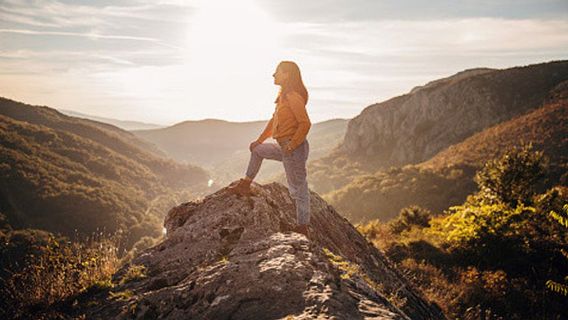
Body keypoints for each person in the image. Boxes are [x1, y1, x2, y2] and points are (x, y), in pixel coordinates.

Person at [227, 60, 311, 238]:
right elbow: (273, 122)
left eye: (277, 72)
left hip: (293, 148)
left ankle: (303, 227)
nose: (273, 75)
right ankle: (245, 184)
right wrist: (259, 141)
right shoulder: (282, 97)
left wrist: (292, 145)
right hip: (284, 145)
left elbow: (305, 124)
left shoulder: (293, 96)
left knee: (298, 188)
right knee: (257, 150)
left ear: (287, 74)